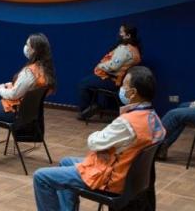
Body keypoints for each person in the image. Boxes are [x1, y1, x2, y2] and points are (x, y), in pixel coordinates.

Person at [33, 66, 165, 211]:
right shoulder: (154, 119)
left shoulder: (127, 123)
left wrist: (99, 134)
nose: (120, 87)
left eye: (124, 85)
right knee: (65, 162)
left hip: (111, 179)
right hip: (127, 176)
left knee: (41, 177)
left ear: (133, 93)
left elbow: (94, 142)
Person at [77, 24, 142, 120]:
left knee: (83, 84)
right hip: (120, 81)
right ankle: (95, 106)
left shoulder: (124, 49)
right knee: (90, 82)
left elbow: (113, 66)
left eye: (121, 32)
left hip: (113, 81)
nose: (119, 34)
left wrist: (100, 65)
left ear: (128, 36)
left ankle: (84, 112)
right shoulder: (135, 49)